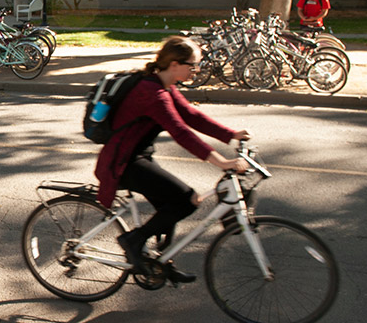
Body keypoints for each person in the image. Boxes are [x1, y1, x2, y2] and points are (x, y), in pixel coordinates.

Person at [94, 36, 250, 282]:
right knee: (186, 200)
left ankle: (159, 264)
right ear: (174, 64)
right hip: (123, 163)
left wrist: (230, 134)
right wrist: (221, 162)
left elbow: (191, 115)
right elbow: (180, 131)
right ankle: (133, 241)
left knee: (169, 211)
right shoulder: (152, 93)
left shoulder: (164, 85)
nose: (196, 70)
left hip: (136, 156)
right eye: (193, 65)